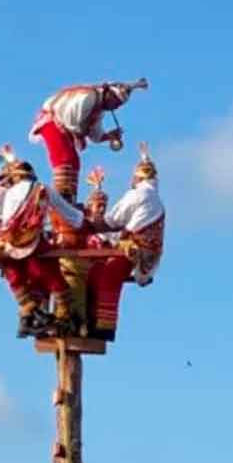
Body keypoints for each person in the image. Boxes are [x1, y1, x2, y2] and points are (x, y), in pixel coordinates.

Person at [0, 145, 86, 337]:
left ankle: (28, 317)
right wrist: (86, 222)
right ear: (31, 175)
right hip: (32, 243)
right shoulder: (41, 189)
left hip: (5, 245)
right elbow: (72, 216)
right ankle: (63, 316)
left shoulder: (0, 193)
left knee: (17, 278)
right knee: (53, 277)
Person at [84, 143, 166, 342]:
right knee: (102, 273)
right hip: (148, 252)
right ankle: (97, 323)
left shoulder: (138, 194)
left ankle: (103, 327)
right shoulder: (155, 197)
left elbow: (113, 221)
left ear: (138, 178)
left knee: (108, 276)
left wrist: (90, 224)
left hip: (134, 249)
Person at [27, 78, 146, 201]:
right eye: (115, 101)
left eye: (118, 105)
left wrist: (108, 136)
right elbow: (71, 120)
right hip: (52, 122)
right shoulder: (89, 97)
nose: (115, 107)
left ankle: (69, 197)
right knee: (65, 158)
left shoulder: (98, 110)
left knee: (74, 161)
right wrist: (80, 135)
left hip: (64, 129)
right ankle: (61, 196)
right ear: (107, 93)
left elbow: (94, 134)